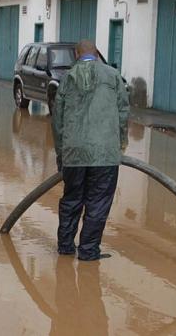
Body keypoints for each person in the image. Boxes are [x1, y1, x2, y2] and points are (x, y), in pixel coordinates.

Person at [52, 40, 129, 261]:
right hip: (105, 155)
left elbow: (57, 121)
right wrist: (121, 143)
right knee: (98, 202)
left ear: (77, 54)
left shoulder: (66, 79)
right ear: (96, 54)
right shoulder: (113, 76)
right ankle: (88, 251)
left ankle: (65, 247)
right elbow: (123, 112)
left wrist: (61, 154)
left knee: (71, 199)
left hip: (74, 154)